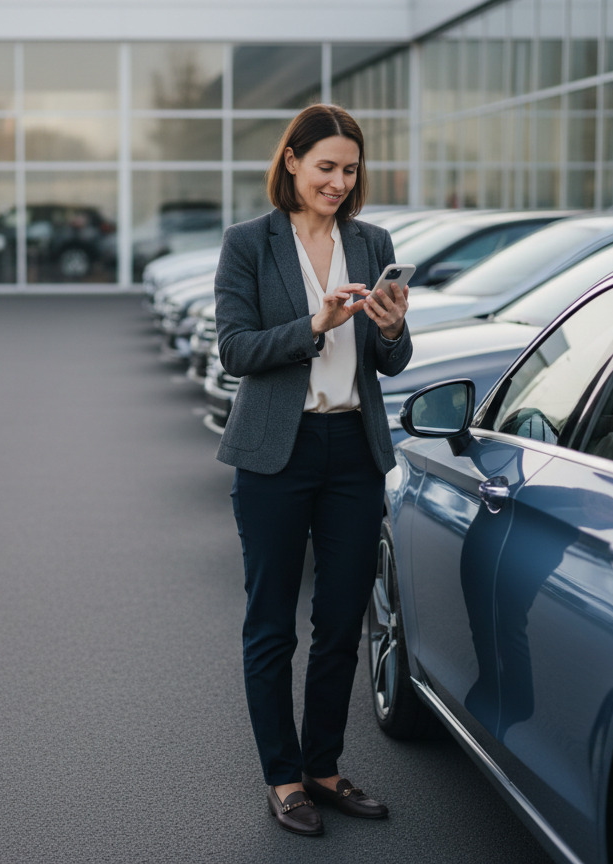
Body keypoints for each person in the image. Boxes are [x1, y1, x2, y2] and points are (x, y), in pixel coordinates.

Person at [213, 103, 412, 837]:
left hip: (353, 453)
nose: (338, 180)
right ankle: (284, 777)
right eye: (325, 166)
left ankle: (324, 768)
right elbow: (235, 349)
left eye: (350, 169)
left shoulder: (371, 240)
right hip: (275, 453)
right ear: (291, 161)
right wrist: (317, 327)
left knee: (339, 624)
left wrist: (391, 329)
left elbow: (391, 359)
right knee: (272, 625)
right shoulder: (248, 244)